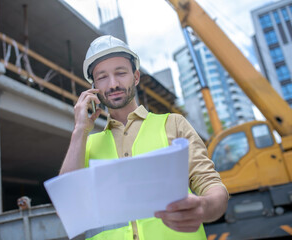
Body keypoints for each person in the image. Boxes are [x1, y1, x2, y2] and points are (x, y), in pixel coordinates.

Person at [59, 35, 228, 240]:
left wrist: (204, 206)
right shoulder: (86, 143)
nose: (113, 84)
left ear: (136, 77)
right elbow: (66, 206)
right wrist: (79, 130)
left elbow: (211, 185)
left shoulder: (172, 124)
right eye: (102, 77)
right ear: (93, 86)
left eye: (120, 73)